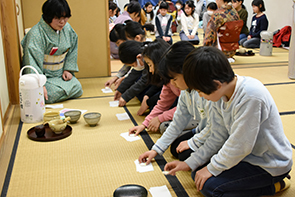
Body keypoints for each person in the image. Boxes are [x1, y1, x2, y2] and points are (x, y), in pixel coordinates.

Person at [164, 46, 293, 196]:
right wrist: (188, 163)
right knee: (198, 174)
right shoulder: (220, 94)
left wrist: (211, 169)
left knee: (211, 187)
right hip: (246, 157)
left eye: (200, 91)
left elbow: (240, 145)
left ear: (217, 84)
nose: (200, 96)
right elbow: (217, 136)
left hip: (268, 164)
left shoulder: (251, 96)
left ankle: (275, 185)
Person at [137, 41, 211, 163]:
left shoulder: (208, 93)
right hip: (203, 130)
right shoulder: (185, 91)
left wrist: (193, 142)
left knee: (186, 155)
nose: (172, 83)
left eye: (174, 78)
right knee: (176, 149)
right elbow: (178, 121)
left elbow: (216, 131)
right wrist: (155, 150)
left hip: (214, 134)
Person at [21, 0, 83, 104]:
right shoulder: (35, 34)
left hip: (60, 75)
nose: (62, 22)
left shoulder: (66, 28)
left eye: (65, 17)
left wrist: (67, 69)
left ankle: (48, 95)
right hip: (44, 78)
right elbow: (31, 61)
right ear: (48, 17)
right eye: (58, 18)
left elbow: (73, 48)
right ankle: (43, 92)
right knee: (45, 93)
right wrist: (40, 84)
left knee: (77, 87)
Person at [115, 40, 162, 109]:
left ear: (139, 57)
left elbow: (144, 80)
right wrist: (121, 89)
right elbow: (134, 73)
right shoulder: (142, 52)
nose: (134, 67)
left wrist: (125, 97)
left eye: (133, 65)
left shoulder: (150, 55)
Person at [106, 21, 150, 89]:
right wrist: (118, 77)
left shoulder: (148, 51)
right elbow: (129, 66)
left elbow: (138, 72)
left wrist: (125, 78)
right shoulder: (136, 49)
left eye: (119, 43)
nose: (118, 46)